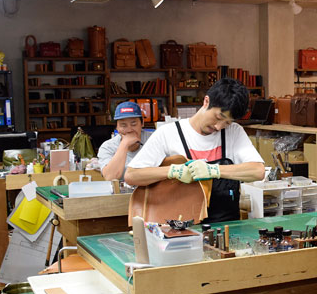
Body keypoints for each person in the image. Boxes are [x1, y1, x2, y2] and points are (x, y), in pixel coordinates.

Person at [125, 78, 265, 222]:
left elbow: (258, 171)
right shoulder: (168, 133)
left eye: (227, 122)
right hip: (180, 230)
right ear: (206, 102)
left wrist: (213, 170)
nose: (219, 127)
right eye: (218, 117)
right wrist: (173, 171)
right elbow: (132, 175)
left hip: (226, 229)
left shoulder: (234, 132)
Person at [98, 101, 145, 182]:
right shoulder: (107, 147)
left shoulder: (154, 139)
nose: (129, 130)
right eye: (123, 125)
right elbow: (110, 177)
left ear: (142, 123)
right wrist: (124, 144)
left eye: (133, 124)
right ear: (117, 128)